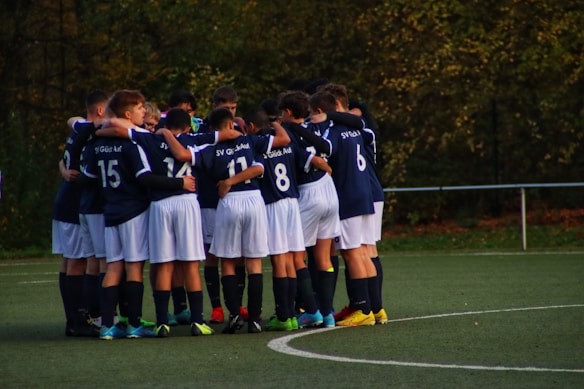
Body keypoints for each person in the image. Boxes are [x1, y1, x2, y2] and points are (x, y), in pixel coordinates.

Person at [82, 89, 194, 340]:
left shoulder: (98, 142)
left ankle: (107, 326)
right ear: (127, 113)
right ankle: (133, 324)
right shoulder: (131, 142)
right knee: (133, 268)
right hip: (132, 210)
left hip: (109, 211)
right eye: (140, 108)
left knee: (112, 268)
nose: (144, 111)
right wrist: (179, 183)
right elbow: (144, 177)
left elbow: (89, 175)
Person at [191, 107, 290, 334]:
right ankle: (255, 319)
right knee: (254, 262)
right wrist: (269, 121)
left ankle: (235, 315)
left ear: (214, 129)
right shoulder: (249, 140)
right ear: (231, 124)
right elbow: (274, 150)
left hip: (229, 202)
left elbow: (184, 156)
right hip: (254, 200)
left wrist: (228, 181)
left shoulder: (211, 147)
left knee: (227, 262)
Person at [307, 90, 380, 327]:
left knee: (352, 252)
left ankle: (363, 308)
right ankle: (375, 308)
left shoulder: (334, 131)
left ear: (320, 111)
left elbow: (325, 148)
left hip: (347, 195)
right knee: (363, 251)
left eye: (312, 113)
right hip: (363, 192)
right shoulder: (357, 128)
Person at [277, 90, 339, 328]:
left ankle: (312, 311)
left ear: (289, 112)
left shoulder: (287, 131)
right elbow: (325, 148)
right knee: (324, 256)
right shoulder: (314, 128)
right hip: (328, 188)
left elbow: (301, 156)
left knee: (295, 256)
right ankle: (328, 313)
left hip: (309, 193)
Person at [53, 90, 108, 337]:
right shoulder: (90, 130)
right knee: (77, 260)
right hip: (74, 200)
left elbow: (72, 120)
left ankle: (73, 319)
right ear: (99, 111)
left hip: (65, 198)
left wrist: (62, 168)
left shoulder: (80, 127)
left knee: (71, 260)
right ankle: (76, 320)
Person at [197, 86, 248, 325]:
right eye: (227, 107)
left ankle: (237, 305)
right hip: (209, 199)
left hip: (233, 200)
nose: (231, 111)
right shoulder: (202, 127)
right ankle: (217, 306)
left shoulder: (239, 127)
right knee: (212, 255)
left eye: (234, 107)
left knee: (238, 256)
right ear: (215, 105)